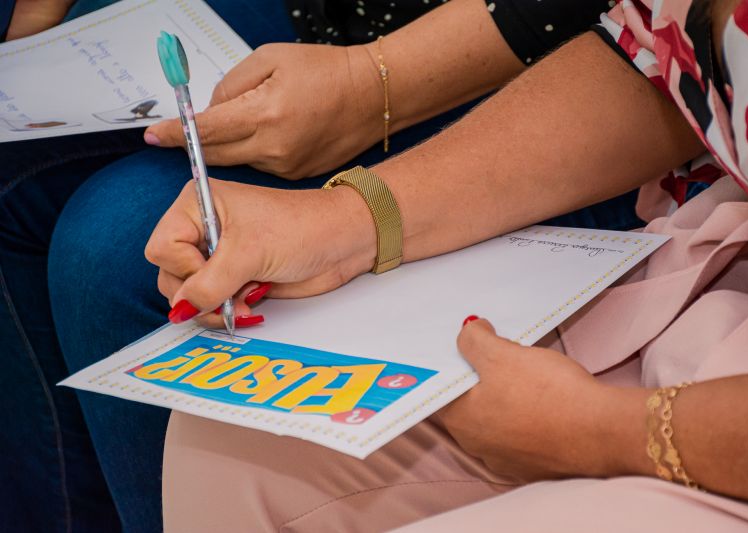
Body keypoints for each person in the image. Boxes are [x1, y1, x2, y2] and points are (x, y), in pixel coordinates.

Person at [146, 0, 748, 530]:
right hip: (740, 289)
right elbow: (655, 57)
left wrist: (606, 432)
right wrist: (350, 219)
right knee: (227, 449)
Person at [0, 0, 633, 531]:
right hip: (337, 14)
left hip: (535, 43)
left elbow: (642, 51)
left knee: (110, 248)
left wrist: (375, 87)